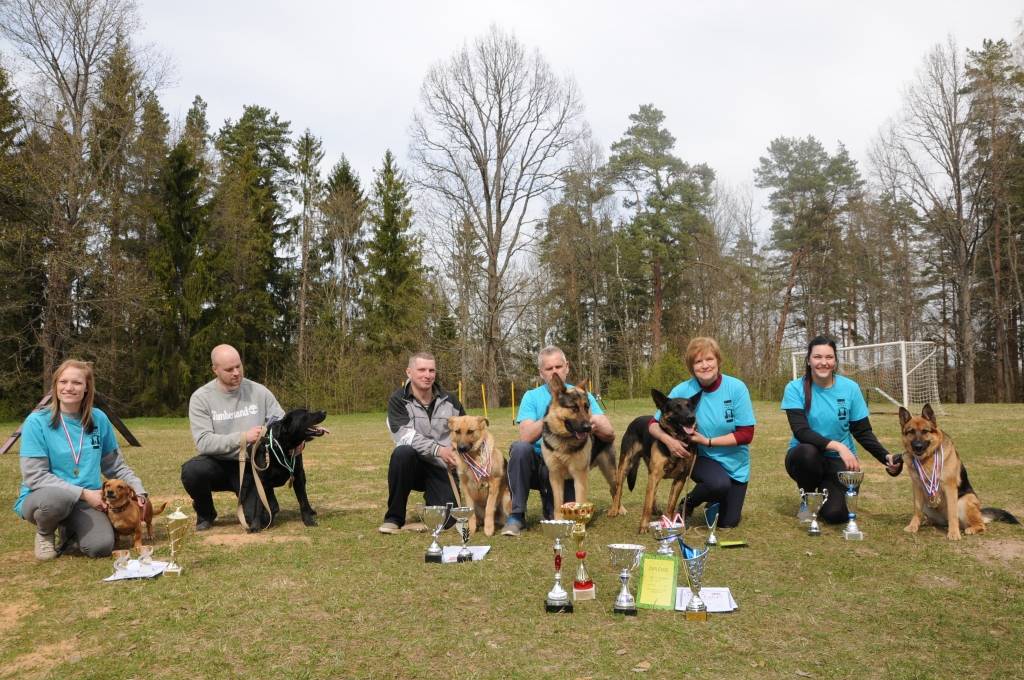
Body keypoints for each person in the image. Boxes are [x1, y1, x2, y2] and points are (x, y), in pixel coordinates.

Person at [14, 359, 150, 560]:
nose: (69, 387)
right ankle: (45, 533)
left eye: (76, 383)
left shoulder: (99, 419)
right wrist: (84, 493)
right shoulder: (36, 421)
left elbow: (115, 466)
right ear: (55, 385)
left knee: (101, 546)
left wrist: (138, 489)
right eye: (63, 382)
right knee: (58, 500)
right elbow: (35, 476)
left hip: (87, 502)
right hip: (46, 498)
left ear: (87, 388)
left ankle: (71, 531)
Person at [782, 335, 902, 524]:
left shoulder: (850, 388)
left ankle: (825, 495)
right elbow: (801, 431)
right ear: (809, 360)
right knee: (807, 453)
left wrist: (885, 457)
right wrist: (838, 446)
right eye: (817, 357)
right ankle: (808, 499)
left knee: (836, 515)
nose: (823, 362)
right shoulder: (794, 388)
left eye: (829, 357)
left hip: (838, 462)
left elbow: (862, 431)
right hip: (805, 458)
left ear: (835, 361)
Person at [502, 346, 615, 537]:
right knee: (520, 449)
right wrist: (551, 416)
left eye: (558, 366)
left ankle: (554, 510)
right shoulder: (531, 396)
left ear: (567, 367)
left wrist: (592, 421)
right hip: (536, 463)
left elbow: (609, 433)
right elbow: (526, 436)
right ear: (541, 372)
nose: (554, 372)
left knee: (563, 519)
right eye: (549, 368)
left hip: (565, 467)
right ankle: (516, 515)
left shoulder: (580, 394)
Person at [649, 337, 756, 528]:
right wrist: (668, 440)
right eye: (698, 361)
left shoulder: (737, 388)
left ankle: (714, 497)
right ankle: (689, 502)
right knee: (718, 484)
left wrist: (708, 441)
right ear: (692, 367)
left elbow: (746, 434)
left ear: (718, 361)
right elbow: (652, 424)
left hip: (735, 464)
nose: (705, 365)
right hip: (701, 457)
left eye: (709, 359)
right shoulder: (682, 389)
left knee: (728, 523)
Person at [181, 344, 285, 531]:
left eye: (239, 366)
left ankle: (265, 503)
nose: (236, 373)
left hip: (252, 466)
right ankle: (206, 514)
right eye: (229, 369)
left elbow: (281, 423)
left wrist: (303, 434)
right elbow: (204, 442)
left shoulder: (259, 391)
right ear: (215, 370)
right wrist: (243, 437)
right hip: (218, 464)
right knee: (192, 471)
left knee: (260, 521)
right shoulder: (201, 398)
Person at [379, 352, 466, 534]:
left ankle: (433, 502)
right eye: (422, 370)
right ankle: (394, 518)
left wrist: (456, 454)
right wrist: (438, 450)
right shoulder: (398, 400)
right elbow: (405, 436)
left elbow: (464, 432)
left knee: (447, 521)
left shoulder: (450, 400)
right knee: (402, 453)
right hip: (412, 465)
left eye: (431, 370)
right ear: (409, 372)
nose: (427, 375)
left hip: (441, 467)